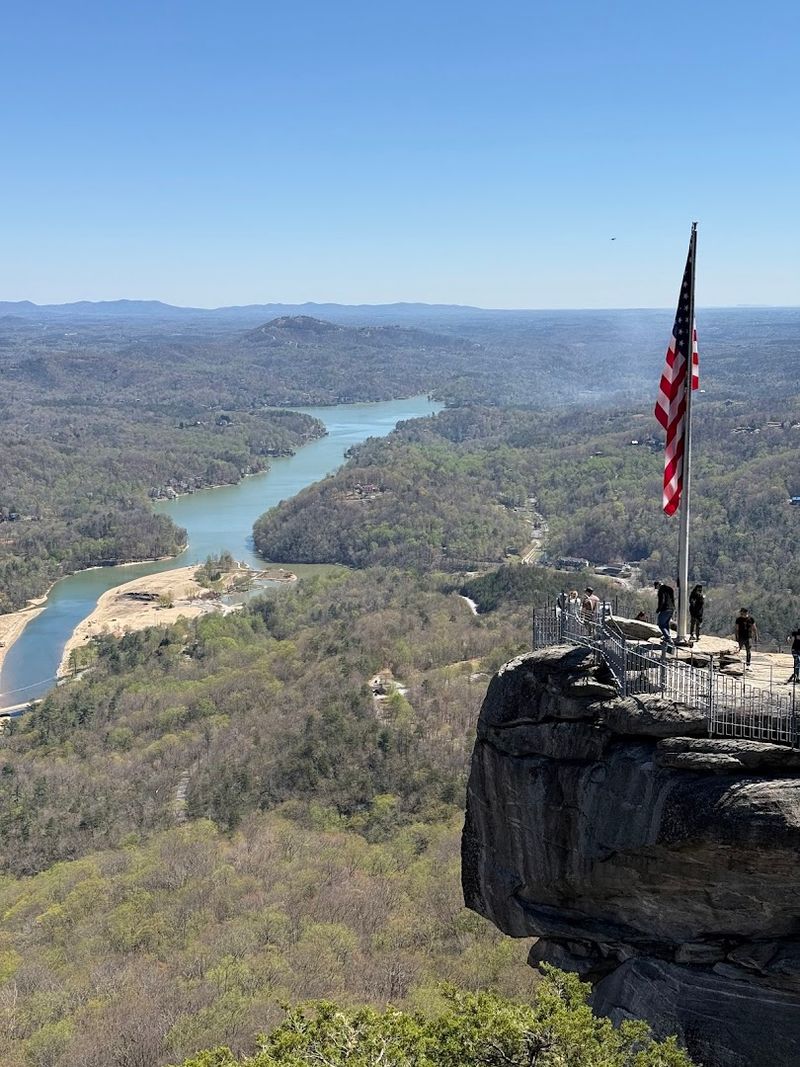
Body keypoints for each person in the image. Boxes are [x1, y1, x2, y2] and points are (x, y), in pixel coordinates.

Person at [654, 580, 675, 649]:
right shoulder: (669, 588)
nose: (657, 589)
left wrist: (658, 609)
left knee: (661, 624)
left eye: (656, 587)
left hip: (665, 609)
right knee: (666, 624)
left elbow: (662, 600)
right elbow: (672, 599)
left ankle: (668, 638)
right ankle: (667, 638)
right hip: (671, 608)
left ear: (658, 585)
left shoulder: (661, 590)